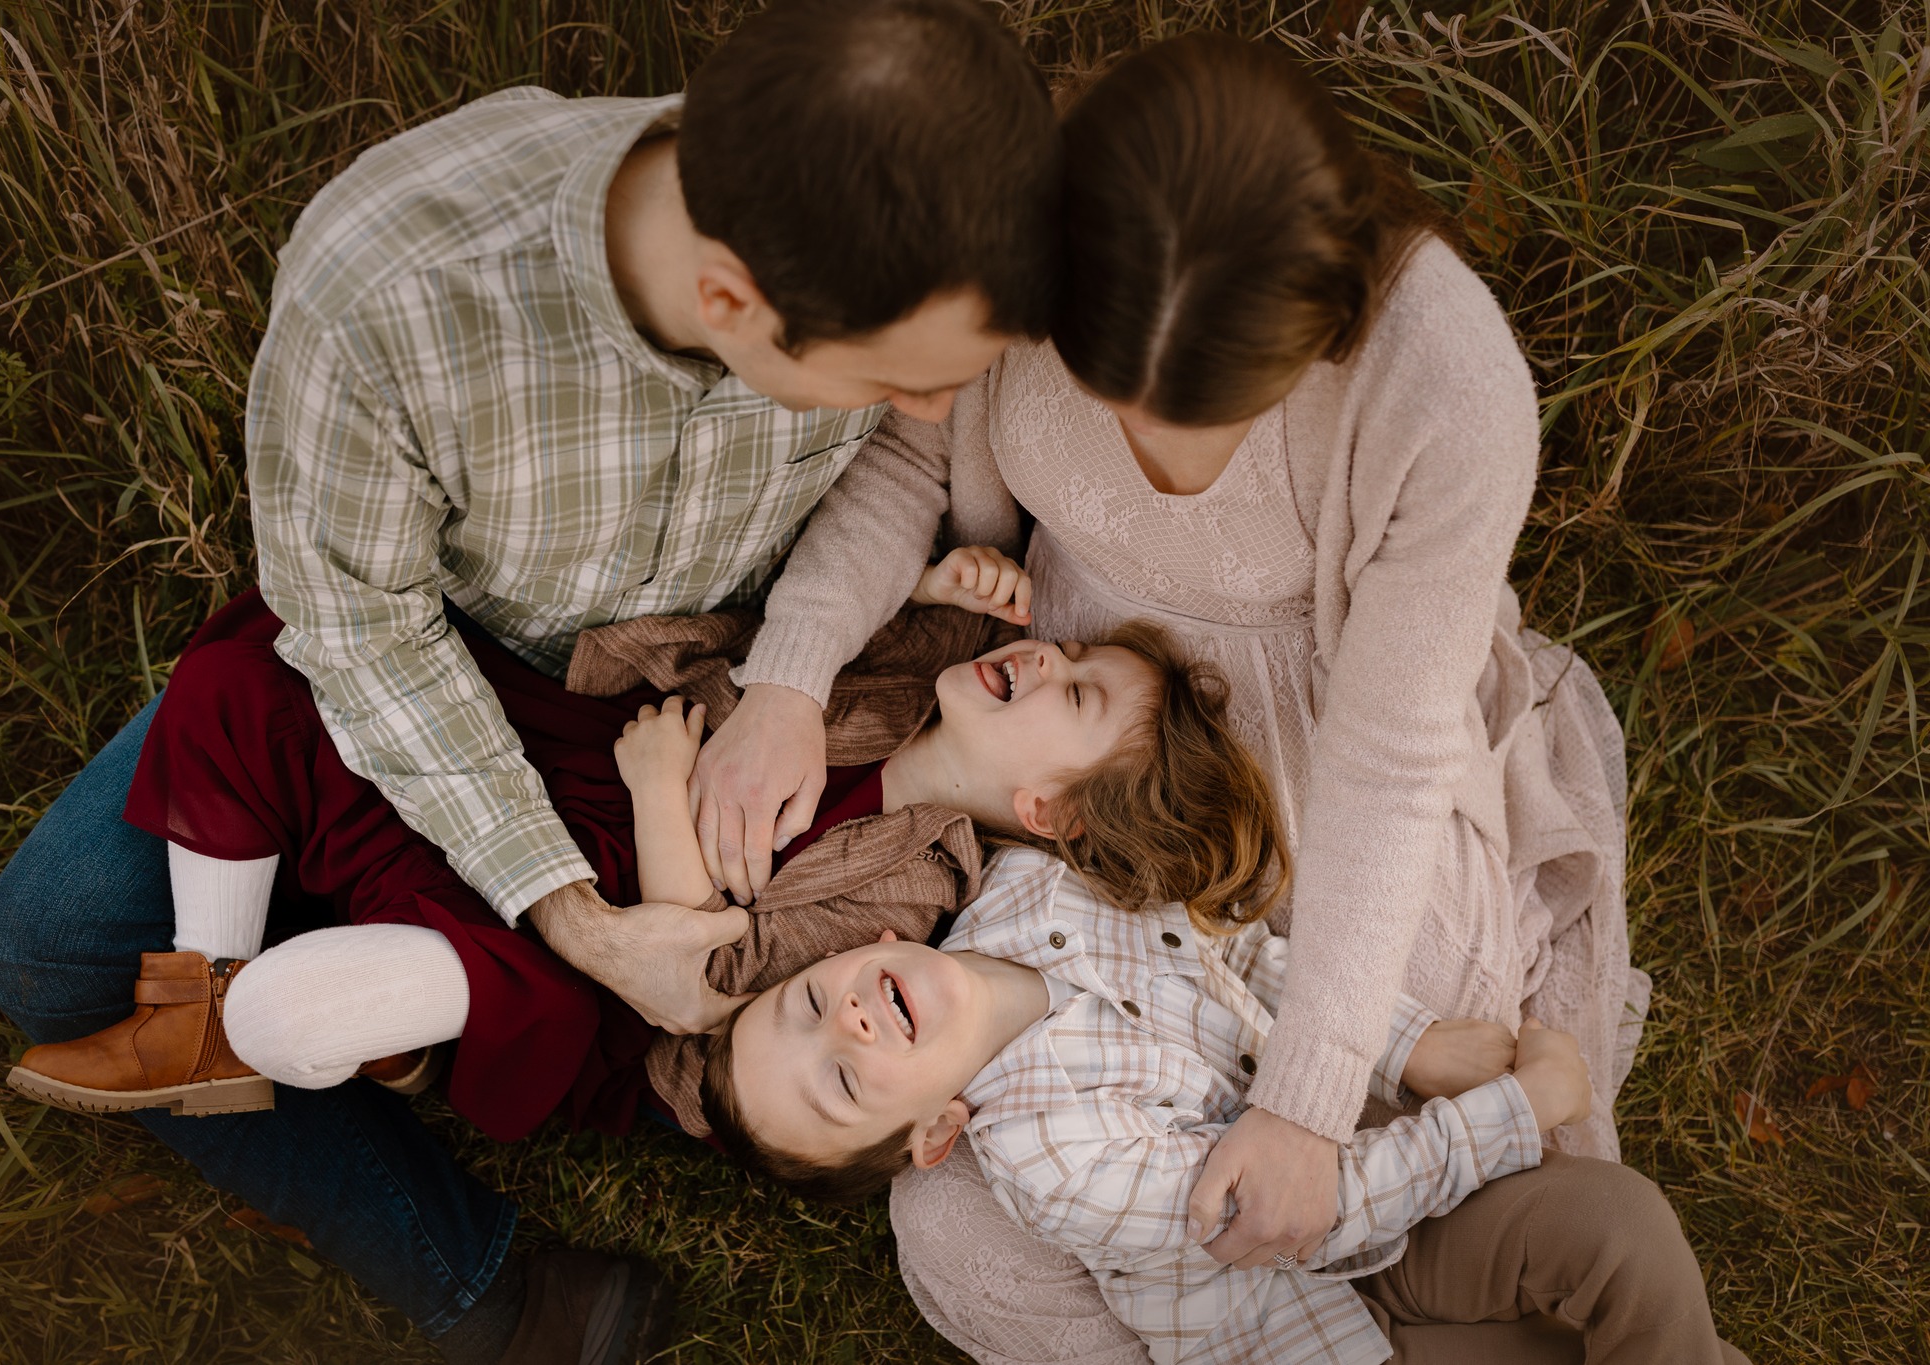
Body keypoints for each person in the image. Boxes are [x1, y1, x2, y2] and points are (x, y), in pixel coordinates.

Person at [0, 1, 1059, 1360]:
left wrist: (785, 680)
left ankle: (410, 1117)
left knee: (197, 947)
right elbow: (360, 633)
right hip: (443, 666)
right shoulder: (395, 299)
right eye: (898, 381)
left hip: (700, 689)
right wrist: (574, 917)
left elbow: (902, 463)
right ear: (727, 302)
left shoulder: (884, 248)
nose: (942, 417)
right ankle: (443, 1211)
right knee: (42, 948)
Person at [691, 33, 1650, 1358]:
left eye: (1197, 416)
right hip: (1094, 729)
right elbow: (910, 465)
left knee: (1391, 1034)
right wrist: (788, 681)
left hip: (1336, 759)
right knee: (964, 1223)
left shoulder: (1445, 390)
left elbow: (1386, 757)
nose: (1146, 454)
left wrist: (1309, 1105)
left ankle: (1405, 1283)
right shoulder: (1017, 239)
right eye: (1103, 390)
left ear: (1319, 336)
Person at [5, 554, 1278, 1157]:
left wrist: (663, 792)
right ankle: (204, 1000)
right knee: (263, 669)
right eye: (1073, 652)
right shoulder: (923, 662)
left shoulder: (916, 878)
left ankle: (378, 1008)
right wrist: (961, 565)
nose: (1047, 657)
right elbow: (855, 589)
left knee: (529, 976)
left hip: (626, 882)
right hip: (577, 760)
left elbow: (706, 972)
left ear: (1045, 812)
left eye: (1072, 698)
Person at [700, 847, 1747, 1365]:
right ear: (933, 1134)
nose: (848, 1026)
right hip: (1318, 1316)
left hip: (1387, 1170)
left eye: (806, 1005)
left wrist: (1408, 1043)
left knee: (1618, 1229)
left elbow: (1244, 953)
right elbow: (1299, 1213)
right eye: (841, 1082)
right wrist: (1516, 1110)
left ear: (870, 945)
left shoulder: (1032, 884)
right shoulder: (1044, 1161)